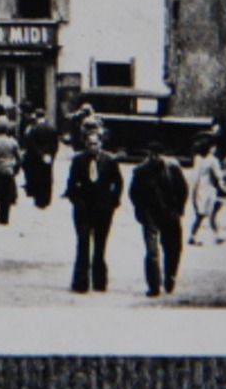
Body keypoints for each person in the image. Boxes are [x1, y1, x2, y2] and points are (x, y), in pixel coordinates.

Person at [64, 118, 123, 293]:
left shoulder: (110, 161)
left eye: (96, 144)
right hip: (83, 210)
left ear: (101, 144)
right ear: (85, 144)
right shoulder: (78, 161)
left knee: (100, 246)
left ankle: (99, 281)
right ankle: (80, 283)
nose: (93, 147)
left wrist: (113, 201)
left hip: (103, 210)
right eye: (90, 144)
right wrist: (77, 201)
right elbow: (71, 186)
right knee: (83, 245)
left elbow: (118, 183)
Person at [128, 143, 189, 297]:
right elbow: (134, 194)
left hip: (170, 215)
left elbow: (183, 190)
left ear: (164, 154)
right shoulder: (141, 171)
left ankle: (170, 276)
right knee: (152, 252)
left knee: (173, 249)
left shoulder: (173, 169)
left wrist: (179, 210)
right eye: (153, 154)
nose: (156, 157)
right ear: (149, 154)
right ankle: (154, 286)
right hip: (150, 216)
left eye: (159, 154)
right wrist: (141, 212)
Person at [189, 138, 226, 245]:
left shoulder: (197, 159)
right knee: (213, 213)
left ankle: (193, 235)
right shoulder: (213, 160)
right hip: (210, 189)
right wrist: (223, 187)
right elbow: (218, 175)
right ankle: (217, 235)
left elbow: (195, 175)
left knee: (200, 214)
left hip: (199, 188)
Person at [21, 107, 61, 209]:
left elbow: (31, 144)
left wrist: (40, 154)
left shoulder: (34, 129)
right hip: (49, 157)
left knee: (38, 177)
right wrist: (52, 154)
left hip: (37, 157)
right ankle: (47, 198)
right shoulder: (52, 128)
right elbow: (56, 144)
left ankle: (39, 199)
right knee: (48, 177)